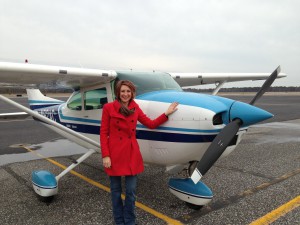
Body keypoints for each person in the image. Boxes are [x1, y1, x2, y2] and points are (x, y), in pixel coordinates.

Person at [100, 80, 178, 225]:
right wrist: (106, 155)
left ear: (132, 93)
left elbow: (150, 123)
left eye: (128, 91)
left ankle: (130, 221)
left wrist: (166, 114)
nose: (125, 94)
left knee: (131, 192)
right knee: (116, 192)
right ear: (118, 92)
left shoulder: (135, 108)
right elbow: (103, 133)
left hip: (131, 153)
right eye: (123, 91)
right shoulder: (108, 108)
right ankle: (119, 221)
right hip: (114, 153)